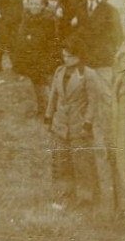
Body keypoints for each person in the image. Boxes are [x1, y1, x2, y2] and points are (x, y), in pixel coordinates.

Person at [44, 40, 112, 212]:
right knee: (62, 162)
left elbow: (93, 102)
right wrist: (49, 116)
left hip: (78, 126)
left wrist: (87, 123)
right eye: (64, 55)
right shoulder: (59, 72)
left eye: (70, 56)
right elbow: (53, 96)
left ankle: (87, 197)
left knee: (82, 162)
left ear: (79, 56)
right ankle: (66, 195)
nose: (66, 59)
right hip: (60, 125)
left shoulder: (88, 75)